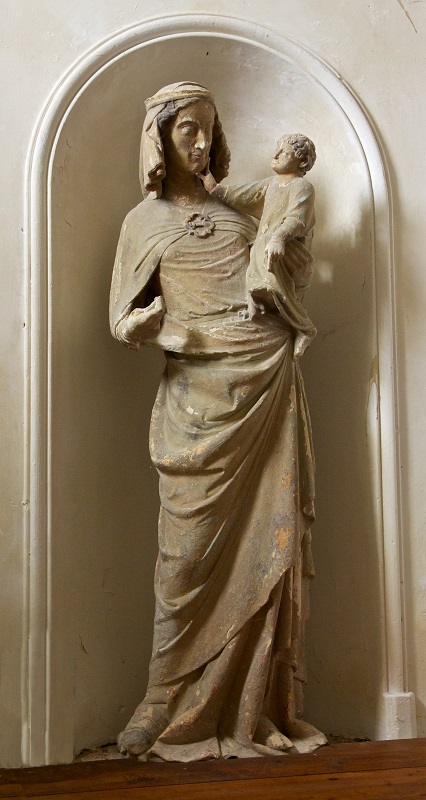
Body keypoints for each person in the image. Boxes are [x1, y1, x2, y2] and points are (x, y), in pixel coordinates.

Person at [110, 82, 326, 761]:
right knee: (184, 558)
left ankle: (251, 700)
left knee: (268, 544)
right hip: (197, 402)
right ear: (160, 139)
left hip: (266, 381)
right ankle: (161, 698)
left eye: (209, 129)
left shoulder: (238, 209)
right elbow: (121, 316)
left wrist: (289, 249)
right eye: (187, 131)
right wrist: (141, 324)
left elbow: (287, 273)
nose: (201, 143)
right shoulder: (141, 223)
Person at [201, 133, 317, 359]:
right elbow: (244, 195)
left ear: (302, 161)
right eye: (276, 149)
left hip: (289, 253)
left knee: (274, 282)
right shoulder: (271, 183)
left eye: (284, 152)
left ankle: (305, 328)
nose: (276, 154)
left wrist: (279, 238)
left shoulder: (302, 186)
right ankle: (256, 311)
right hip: (265, 246)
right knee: (255, 271)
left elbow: (297, 219)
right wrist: (214, 189)